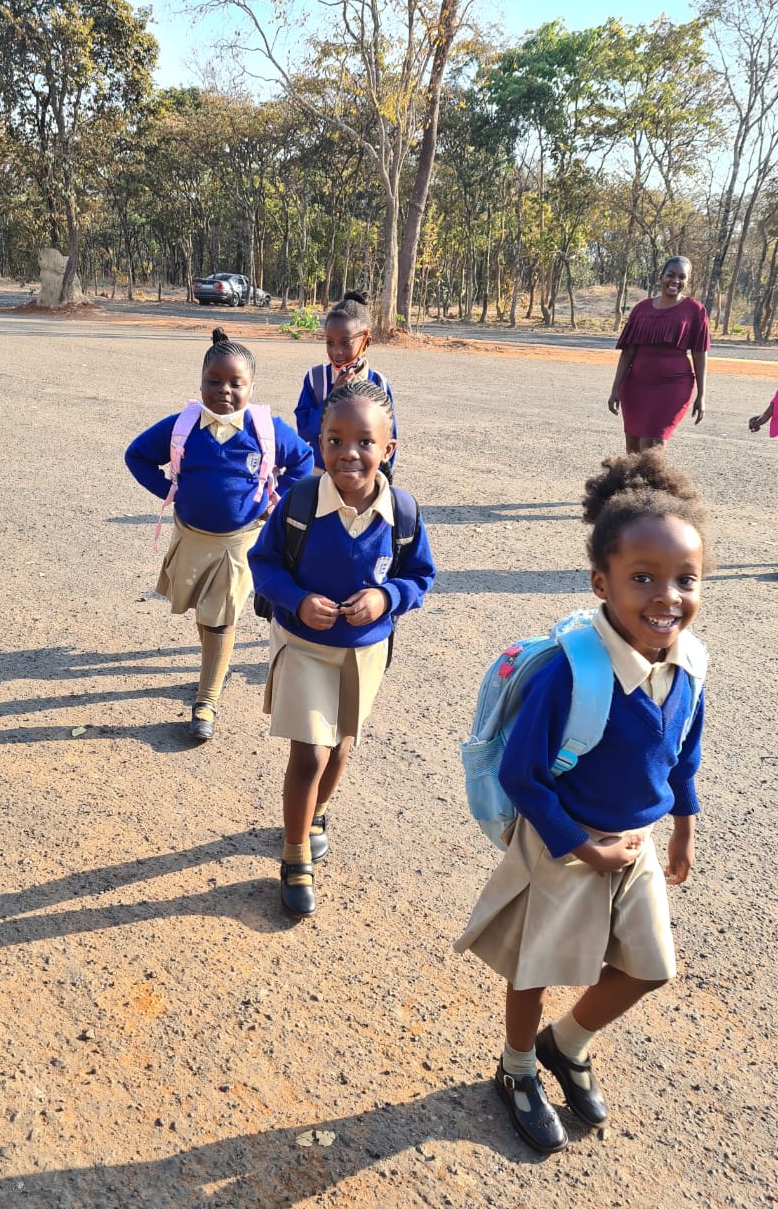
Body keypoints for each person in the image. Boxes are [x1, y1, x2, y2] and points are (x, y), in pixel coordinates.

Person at [455, 450, 709, 1153]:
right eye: (643, 579)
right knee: (533, 969)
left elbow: (684, 749)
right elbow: (521, 774)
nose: (668, 598)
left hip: (636, 843)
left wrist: (682, 825)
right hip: (563, 838)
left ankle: (565, 1046)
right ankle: (515, 1070)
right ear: (602, 583)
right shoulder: (575, 672)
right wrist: (579, 846)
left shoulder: (690, 660)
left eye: (686, 579)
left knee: (650, 966)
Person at [248, 380, 435, 918]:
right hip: (304, 645)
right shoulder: (301, 503)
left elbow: (420, 576)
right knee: (310, 750)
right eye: (334, 440)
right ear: (319, 443)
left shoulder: (402, 512)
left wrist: (387, 596)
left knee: (342, 748)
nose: (347, 453)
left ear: (388, 448)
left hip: (364, 652)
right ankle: (294, 853)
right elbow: (265, 566)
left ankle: (317, 812)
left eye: (364, 442)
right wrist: (298, 599)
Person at [124, 327, 313, 741]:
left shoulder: (266, 429)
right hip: (191, 537)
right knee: (203, 612)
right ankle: (216, 668)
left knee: (221, 617)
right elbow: (136, 455)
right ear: (201, 382)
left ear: (252, 387)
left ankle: (206, 700)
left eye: (235, 383)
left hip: (238, 544)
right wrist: (173, 491)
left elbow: (303, 458)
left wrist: (273, 502)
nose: (223, 390)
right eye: (214, 381)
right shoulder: (184, 426)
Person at [608, 256, 709, 451]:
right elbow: (627, 353)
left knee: (652, 445)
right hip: (636, 386)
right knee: (633, 448)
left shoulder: (695, 311)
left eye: (682, 277)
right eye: (671, 275)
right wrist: (615, 389)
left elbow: (699, 353)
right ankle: (630, 483)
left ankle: (652, 482)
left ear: (688, 281)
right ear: (661, 277)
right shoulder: (641, 309)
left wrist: (702, 395)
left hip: (673, 386)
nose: (675, 281)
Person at [294, 291, 398, 475]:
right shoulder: (316, 378)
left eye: (346, 343)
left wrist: (381, 476)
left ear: (366, 342)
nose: (337, 351)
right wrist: (333, 396)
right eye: (330, 343)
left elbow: (389, 436)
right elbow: (305, 431)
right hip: (320, 474)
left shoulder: (378, 383)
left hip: (363, 476)